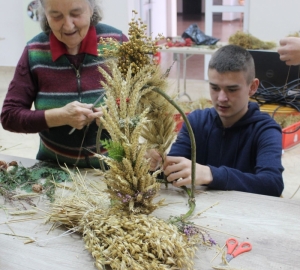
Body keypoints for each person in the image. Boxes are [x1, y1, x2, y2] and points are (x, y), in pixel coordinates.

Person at [1, 0, 127, 168]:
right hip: (54, 172)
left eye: (76, 14)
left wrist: (117, 116)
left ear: (92, 9)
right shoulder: (35, 52)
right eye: (56, 16)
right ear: (45, 14)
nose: (68, 26)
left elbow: (147, 102)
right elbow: (10, 116)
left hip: (115, 173)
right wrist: (60, 116)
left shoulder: (117, 43)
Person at [147, 44, 284, 197]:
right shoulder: (195, 121)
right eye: (215, 88)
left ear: (252, 87)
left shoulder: (266, 130)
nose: (221, 98)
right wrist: (155, 166)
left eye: (232, 89)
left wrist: (212, 174)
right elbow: (173, 173)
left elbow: (272, 184)